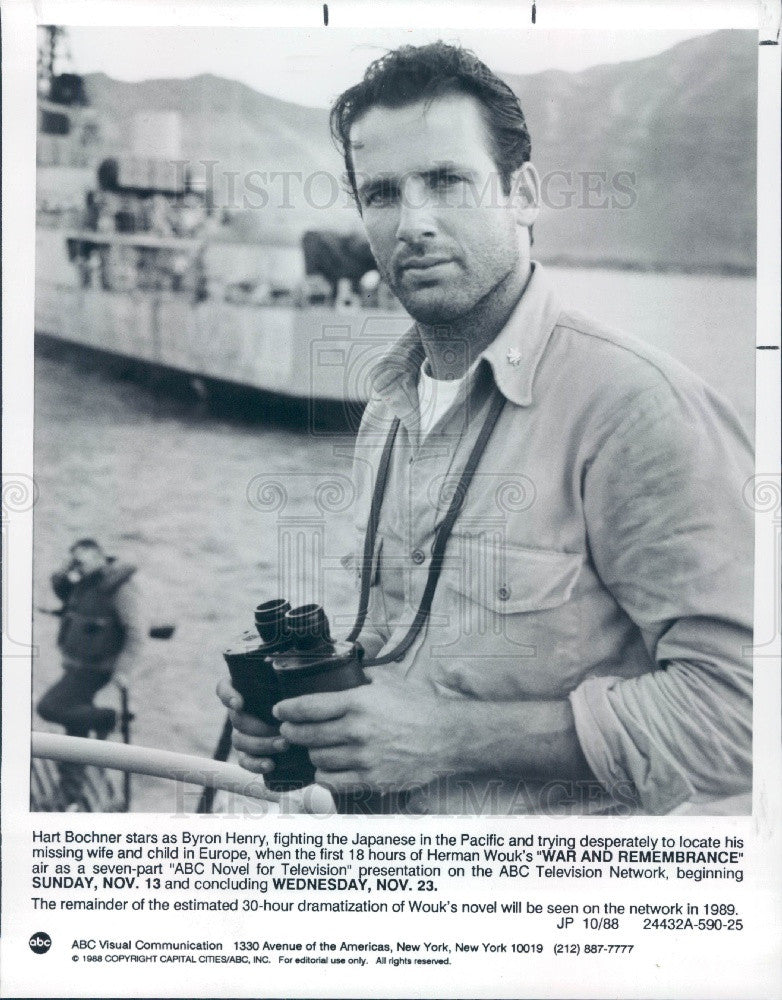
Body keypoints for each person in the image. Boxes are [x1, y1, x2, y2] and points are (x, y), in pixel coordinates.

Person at [218, 42, 753, 815]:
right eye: (382, 193)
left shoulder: (637, 408)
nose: (414, 223)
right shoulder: (390, 409)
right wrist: (305, 709)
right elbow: (407, 650)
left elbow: (748, 712)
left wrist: (451, 737)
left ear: (523, 193)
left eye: (447, 180)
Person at [38, 539, 142, 804]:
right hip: (79, 666)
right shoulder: (85, 583)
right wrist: (65, 571)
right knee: (76, 723)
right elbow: (65, 595)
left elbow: (136, 633)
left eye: (82, 560)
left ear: (99, 556)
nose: (79, 567)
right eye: (75, 562)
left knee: (49, 707)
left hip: (97, 669)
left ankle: (109, 718)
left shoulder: (120, 587)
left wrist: (123, 671)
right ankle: (70, 792)